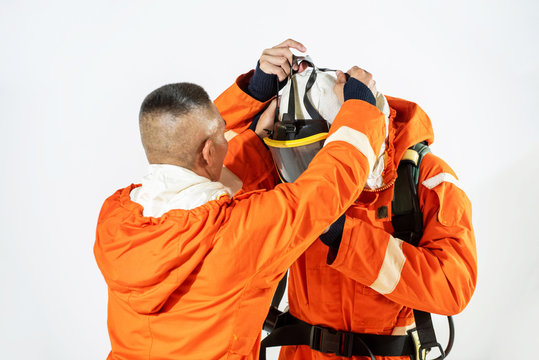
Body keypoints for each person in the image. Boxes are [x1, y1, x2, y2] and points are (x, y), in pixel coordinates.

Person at [93, 39, 387, 360]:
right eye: (223, 133)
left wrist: (257, 126)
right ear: (208, 151)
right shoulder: (241, 232)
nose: (228, 135)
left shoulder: (114, 215)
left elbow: (205, 179)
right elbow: (330, 186)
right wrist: (361, 108)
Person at [242, 57, 477, 360]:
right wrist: (254, 95)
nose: (312, 171)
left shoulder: (425, 178)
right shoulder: (295, 166)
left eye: (324, 154)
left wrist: (345, 238)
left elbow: (452, 286)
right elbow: (212, 196)